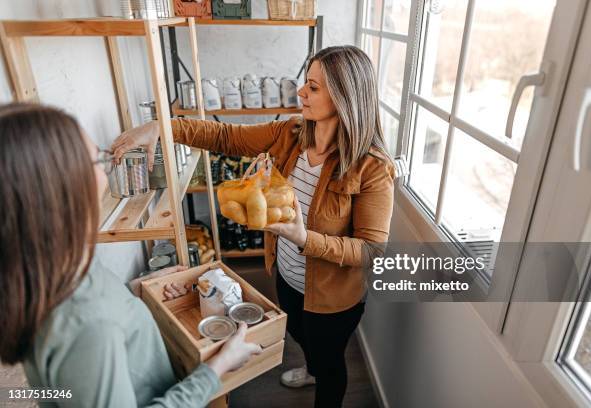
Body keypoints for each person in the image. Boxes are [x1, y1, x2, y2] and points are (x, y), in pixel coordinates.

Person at [112, 45, 395, 408]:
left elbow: (372, 250)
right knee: (297, 331)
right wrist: (160, 128)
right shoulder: (290, 133)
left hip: (333, 298)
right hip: (287, 276)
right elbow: (224, 137)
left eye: (313, 87)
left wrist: (304, 237)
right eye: (305, 83)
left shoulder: (372, 168)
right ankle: (310, 367)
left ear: (344, 97)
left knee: (330, 362)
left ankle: (320, 378)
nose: (301, 92)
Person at [0, 103, 262, 407]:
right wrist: (216, 368)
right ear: (62, 187)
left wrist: (133, 294)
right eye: (98, 160)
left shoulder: (51, 264)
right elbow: (88, 326)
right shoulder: (88, 325)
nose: (108, 167)